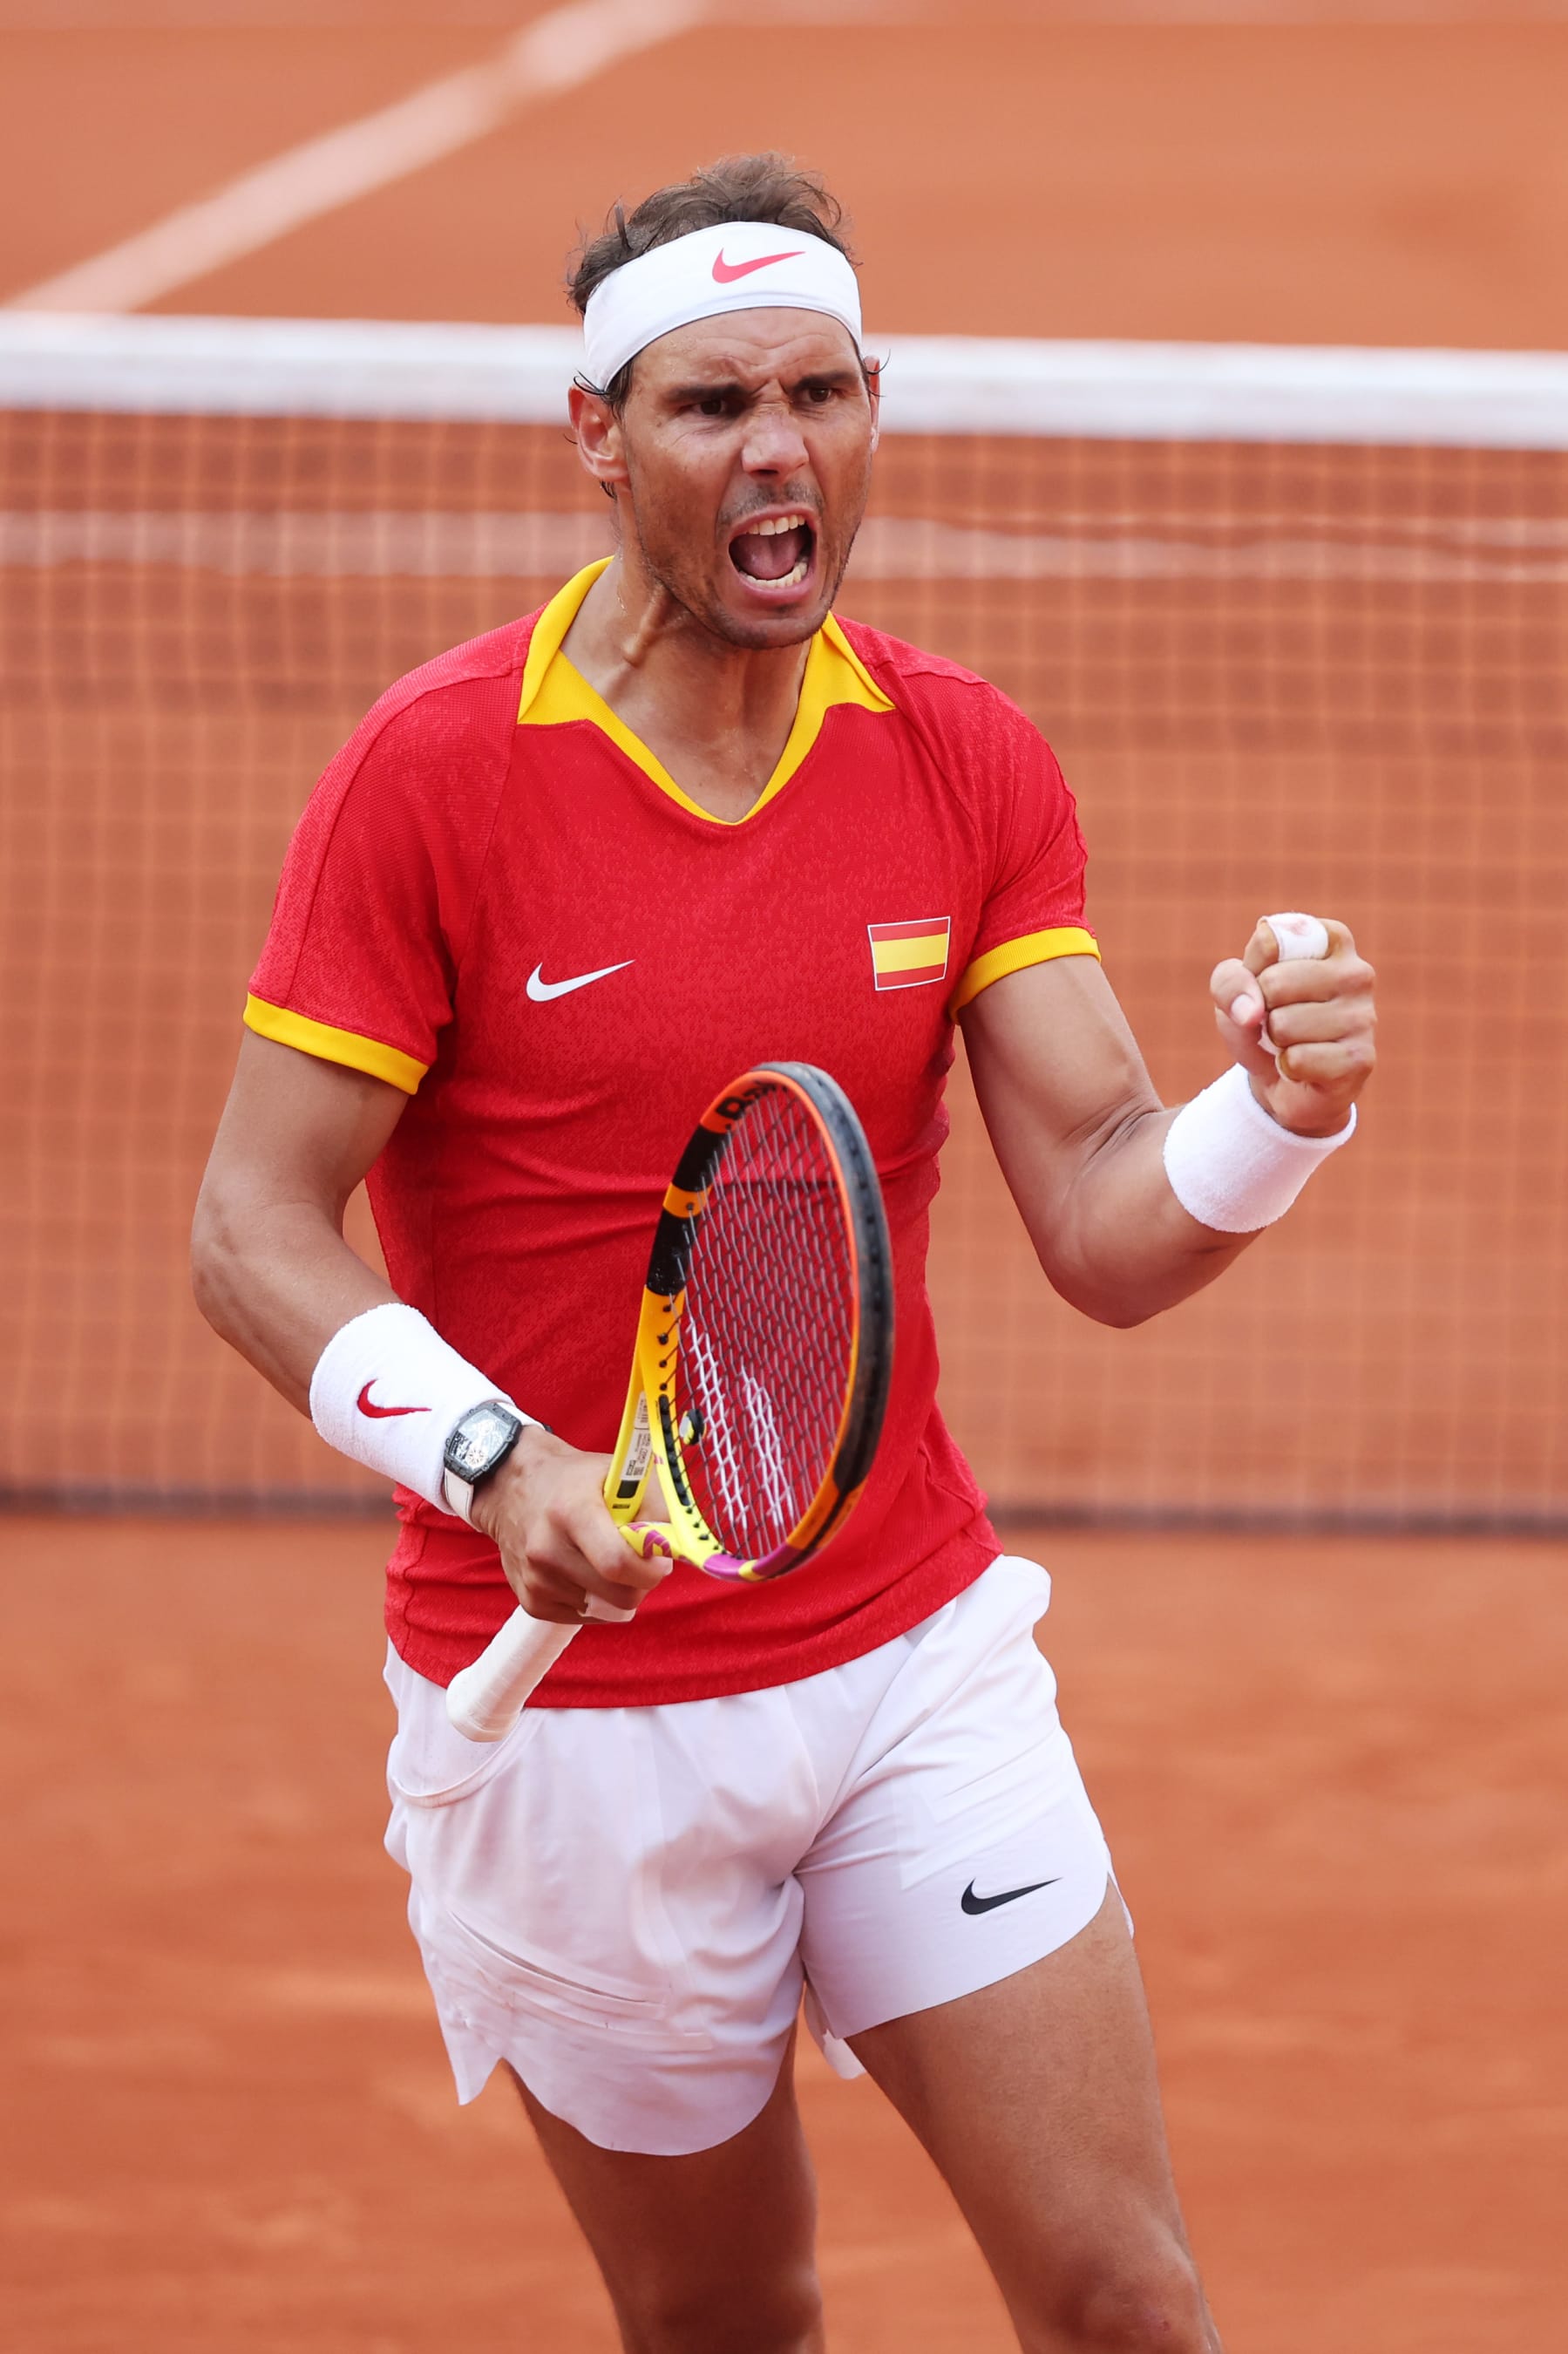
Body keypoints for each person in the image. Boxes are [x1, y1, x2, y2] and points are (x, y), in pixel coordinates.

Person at [192, 153, 1375, 2354]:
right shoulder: (436, 778)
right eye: (713, 404)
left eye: (821, 395)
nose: (778, 453)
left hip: (906, 1660)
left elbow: (1111, 1216)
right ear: (597, 439)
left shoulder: (955, 758)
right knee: (735, 2327)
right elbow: (252, 1227)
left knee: (1129, 2301)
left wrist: (1272, 1117)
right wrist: (496, 1461)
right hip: (571, 1719)